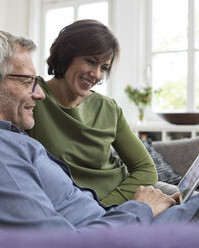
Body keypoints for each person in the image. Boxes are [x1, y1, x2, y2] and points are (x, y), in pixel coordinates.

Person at [0, 29, 199, 232]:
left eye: (104, 67)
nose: (38, 92)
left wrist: (138, 207)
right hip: (148, 230)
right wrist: (141, 208)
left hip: (136, 220)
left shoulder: (1, 138)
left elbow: (139, 171)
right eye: (27, 81)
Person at [27, 19, 157, 206]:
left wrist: (104, 208)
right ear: (66, 55)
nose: (97, 74)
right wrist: (99, 213)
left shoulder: (108, 107)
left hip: (125, 197)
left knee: (197, 201)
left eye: (104, 67)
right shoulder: (33, 97)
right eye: (90, 61)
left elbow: (146, 169)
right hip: (83, 212)